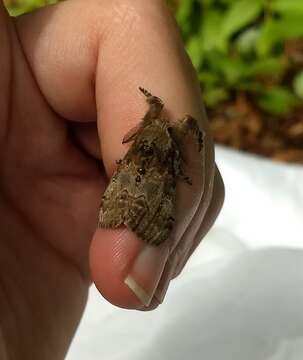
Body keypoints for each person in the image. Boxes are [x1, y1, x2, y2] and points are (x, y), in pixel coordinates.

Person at [0, 0, 224, 358]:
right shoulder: (160, 139)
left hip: (138, 173)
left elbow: (153, 122)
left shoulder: (148, 135)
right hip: (151, 174)